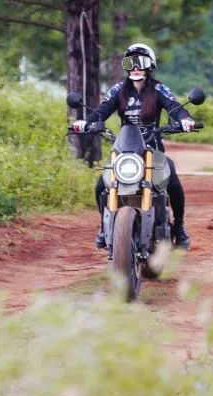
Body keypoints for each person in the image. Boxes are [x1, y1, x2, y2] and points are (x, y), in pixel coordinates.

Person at [72, 42, 196, 250]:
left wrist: (185, 119)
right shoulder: (119, 90)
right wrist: (86, 122)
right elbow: (102, 110)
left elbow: (174, 107)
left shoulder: (159, 89)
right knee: (102, 185)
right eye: (131, 62)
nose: (136, 67)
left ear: (150, 65)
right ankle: (104, 226)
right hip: (125, 149)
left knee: (172, 179)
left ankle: (179, 228)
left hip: (152, 148)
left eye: (141, 62)